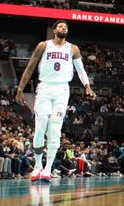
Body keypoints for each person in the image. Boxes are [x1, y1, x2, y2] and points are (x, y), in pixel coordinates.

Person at [15, 20, 96, 183]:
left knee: (55, 131)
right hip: (44, 88)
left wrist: (87, 86)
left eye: (66, 26)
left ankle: (47, 168)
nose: (63, 28)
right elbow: (30, 67)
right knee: (40, 128)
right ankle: (37, 166)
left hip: (62, 90)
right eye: (60, 26)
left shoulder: (73, 48)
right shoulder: (43, 45)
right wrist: (20, 89)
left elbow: (81, 70)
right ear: (54, 30)